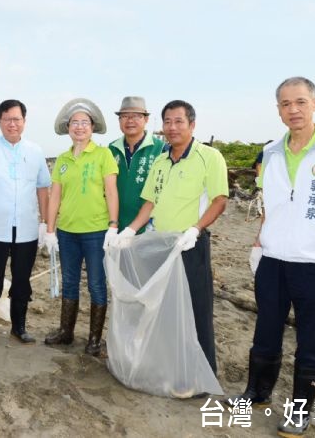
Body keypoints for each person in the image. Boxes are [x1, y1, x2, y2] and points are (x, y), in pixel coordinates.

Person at [233, 77, 315, 437]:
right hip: (274, 259)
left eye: (300, 102)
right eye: (285, 104)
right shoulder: (271, 151)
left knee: (311, 339)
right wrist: (258, 244)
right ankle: (256, 392)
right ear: (277, 109)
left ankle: (299, 410)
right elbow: (268, 205)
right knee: (266, 329)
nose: (293, 110)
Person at [118, 100, 228, 374]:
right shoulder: (160, 160)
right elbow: (150, 203)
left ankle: (200, 373)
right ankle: (169, 366)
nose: (172, 127)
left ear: (192, 124)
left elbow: (219, 200)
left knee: (196, 310)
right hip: (161, 244)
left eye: (179, 121)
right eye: (167, 121)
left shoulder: (209, 157)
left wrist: (196, 229)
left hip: (189, 243)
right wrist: (131, 230)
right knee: (164, 307)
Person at [0, 99, 51, 346]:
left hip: (26, 229)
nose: (12, 124)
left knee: (22, 280)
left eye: (17, 119)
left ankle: (19, 327)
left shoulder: (35, 151)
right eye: (7, 119)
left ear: (24, 121)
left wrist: (45, 223)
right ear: (0, 121)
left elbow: (43, 189)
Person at [43, 98, 119, 356]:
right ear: (67, 127)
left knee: (97, 284)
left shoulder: (103, 155)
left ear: (92, 127)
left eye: (84, 122)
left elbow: (112, 191)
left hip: (96, 231)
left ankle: (95, 339)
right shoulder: (62, 159)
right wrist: (50, 229)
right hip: (67, 232)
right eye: (74, 122)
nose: (79, 127)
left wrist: (113, 225)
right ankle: (66, 332)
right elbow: (55, 196)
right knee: (70, 282)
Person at [108, 96, 165, 231]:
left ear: (146, 119)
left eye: (136, 116)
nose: (130, 121)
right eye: (125, 116)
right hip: (116, 224)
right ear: (119, 120)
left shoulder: (161, 149)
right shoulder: (111, 149)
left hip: (150, 226)